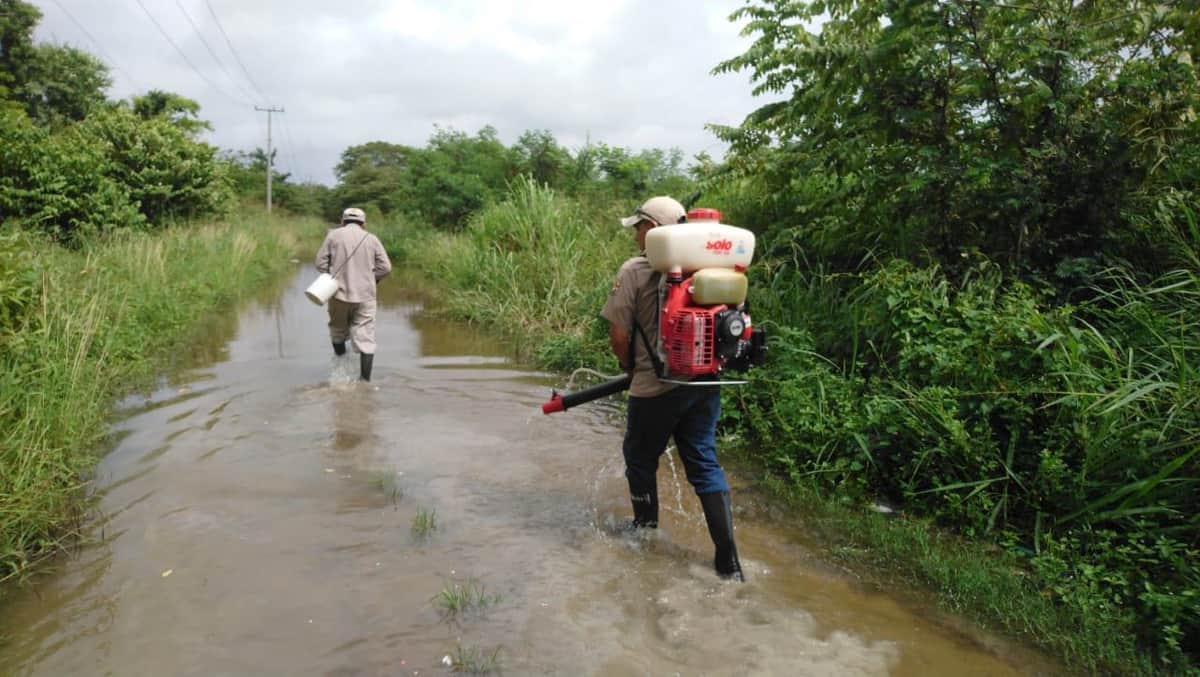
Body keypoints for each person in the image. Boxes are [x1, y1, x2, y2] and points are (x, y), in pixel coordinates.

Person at [600, 196, 745, 582]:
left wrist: (630, 367)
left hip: (656, 387)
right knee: (703, 463)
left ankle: (644, 530)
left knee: (640, 458)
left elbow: (618, 334)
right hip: (706, 383)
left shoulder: (634, 270)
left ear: (653, 229)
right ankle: (728, 561)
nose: (635, 234)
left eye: (638, 226)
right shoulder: (715, 268)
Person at [314, 207, 392, 381]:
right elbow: (386, 267)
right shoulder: (372, 239)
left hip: (337, 294)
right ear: (363, 223)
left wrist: (332, 275)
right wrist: (374, 279)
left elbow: (319, 264)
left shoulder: (333, 236)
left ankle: (340, 373)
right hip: (366, 296)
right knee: (365, 339)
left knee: (337, 330)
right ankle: (365, 382)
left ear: (343, 221)